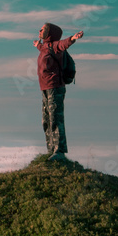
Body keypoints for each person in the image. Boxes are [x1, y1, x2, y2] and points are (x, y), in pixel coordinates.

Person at [32, 23, 83, 160]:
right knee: (47, 120)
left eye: (42, 29)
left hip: (55, 87)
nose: (39, 30)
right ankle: (51, 150)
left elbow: (63, 44)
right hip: (45, 88)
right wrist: (37, 44)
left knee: (56, 118)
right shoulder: (45, 47)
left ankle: (59, 151)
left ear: (50, 33)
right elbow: (42, 48)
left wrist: (73, 38)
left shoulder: (55, 46)